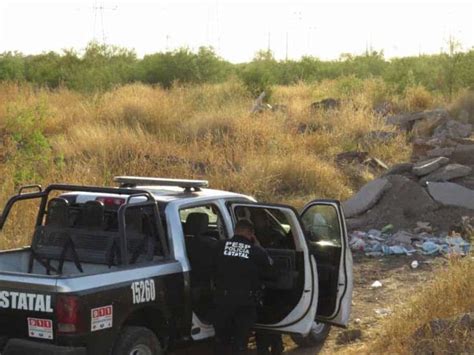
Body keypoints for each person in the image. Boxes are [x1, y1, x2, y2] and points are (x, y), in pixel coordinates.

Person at [212, 219, 274, 354]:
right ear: (251, 234)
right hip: (245, 303)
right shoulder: (256, 251)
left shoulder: (218, 246)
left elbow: (210, 268)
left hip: (222, 301)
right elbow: (270, 271)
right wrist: (259, 246)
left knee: (222, 341)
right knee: (240, 342)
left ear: (235, 230)